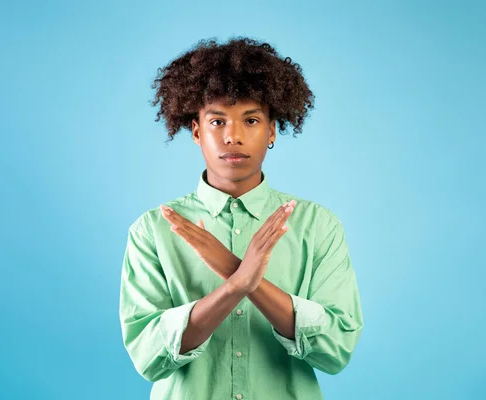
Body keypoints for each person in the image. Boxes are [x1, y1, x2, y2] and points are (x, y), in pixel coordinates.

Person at [119, 36, 363, 400]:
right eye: (217, 121)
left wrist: (241, 275)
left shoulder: (318, 226)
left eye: (251, 119)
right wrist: (237, 285)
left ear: (272, 131)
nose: (233, 136)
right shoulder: (152, 230)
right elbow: (148, 357)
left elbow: (335, 349)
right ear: (197, 131)